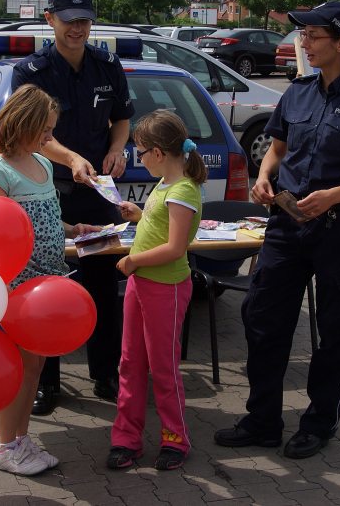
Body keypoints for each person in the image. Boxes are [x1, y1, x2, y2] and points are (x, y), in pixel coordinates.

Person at [213, 1, 340, 460]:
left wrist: (335, 195)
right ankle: (263, 420)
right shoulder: (296, 92)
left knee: (335, 327)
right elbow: (276, 149)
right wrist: (262, 175)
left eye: (313, 36)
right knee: (262, 317)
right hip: (285, 224)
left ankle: (318, 423)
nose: (303, 43)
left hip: (338, 229)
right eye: (303, 35)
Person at [10, 0, 133, 416]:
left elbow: (122, 117)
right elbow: (34, 136)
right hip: (49, 193)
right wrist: (72, 158)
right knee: (45, 289)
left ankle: (105, 374)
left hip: (98, 196)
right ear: (50, 20)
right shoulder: (31, 72)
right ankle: (46, 384)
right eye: (69, 21)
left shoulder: (107, 64)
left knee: (102, 286)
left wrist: (117, 148)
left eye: (84, 21)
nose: (78, 29)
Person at [0, 84, 102, 476]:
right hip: (18, 286)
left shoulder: (43, 164)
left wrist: (74, 229)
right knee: (20, 367)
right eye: (45, 130)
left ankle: (20, 438)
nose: (50, 138)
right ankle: (5, 445)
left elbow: (48, 216)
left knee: (36, 366)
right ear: (25, 124)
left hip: (47, 278)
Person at [107, 110, 207, 471]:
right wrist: (138, 215)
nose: (139, 158)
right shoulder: (166, 185)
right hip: (143, 285)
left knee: (163, 368)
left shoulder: (182, 190)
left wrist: (134, 262)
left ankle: (175, 439)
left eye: (141, 152)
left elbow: (176, 248)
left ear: (160, 154)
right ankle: (126, 438)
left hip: (165, 288)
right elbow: (160, 224)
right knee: (130, 363)